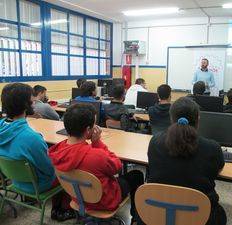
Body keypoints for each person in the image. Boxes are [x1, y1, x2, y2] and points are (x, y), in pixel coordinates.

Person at [48, 104, 144, 223]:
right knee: (137, 175)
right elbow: (117, 167)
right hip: (103, 201)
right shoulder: (96, 155)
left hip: (77, 197)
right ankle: (136, 218)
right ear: (88, 130)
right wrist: (97, 142)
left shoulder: (57, 150)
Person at [0, 83, 75, 222]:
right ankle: (62, 210)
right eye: (31, 99)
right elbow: (48, 171)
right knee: (67, 169)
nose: (34, 101)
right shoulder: (32, 138)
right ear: (26, 104)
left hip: (14, 181)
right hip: (36, 185)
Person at [147, 97, 227, 225]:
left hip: (158, 212)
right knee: (220, 214)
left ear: (171, 118)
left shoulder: (155, 142)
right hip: (200, 217)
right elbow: (218, 169)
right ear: (198, 119)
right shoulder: (212, 147)